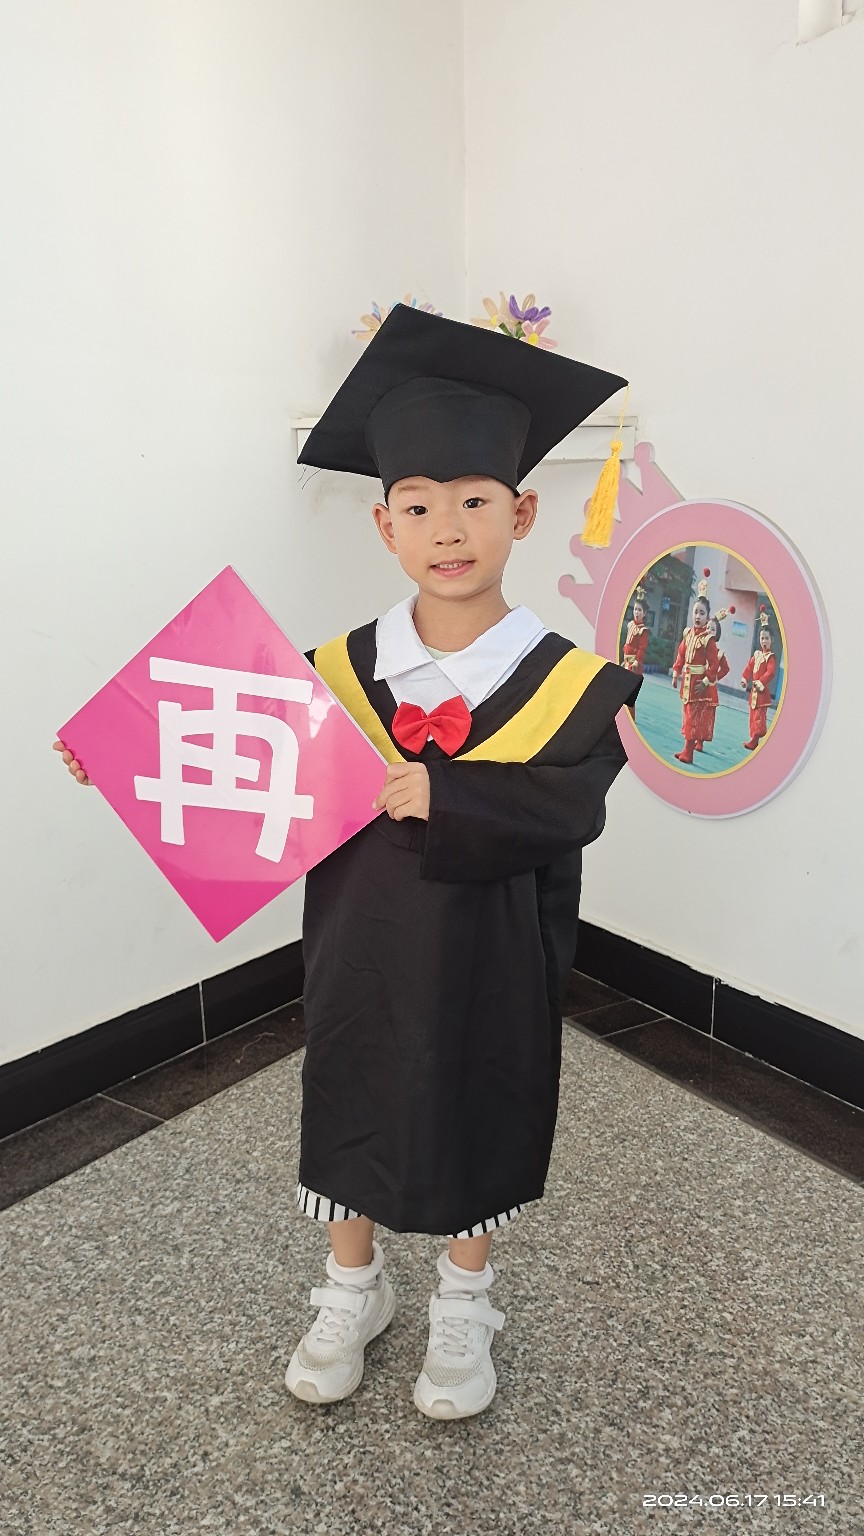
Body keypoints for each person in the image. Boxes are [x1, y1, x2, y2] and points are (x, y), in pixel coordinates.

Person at [55, 303, 639, 1422]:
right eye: (417, 506)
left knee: (481, 1096)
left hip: (496, 954)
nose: (448, 530)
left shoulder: (576, 684)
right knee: (355, 1088)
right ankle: (351, 1289)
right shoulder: (327, 673)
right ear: (383, 526)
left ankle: (465, 1303)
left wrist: (451, 793)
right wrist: (120, 754)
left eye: (476, 502)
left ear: (521, 512)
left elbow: (574, 807)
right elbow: (230, 758)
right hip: (359, 947)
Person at [670, 572, 719, 766]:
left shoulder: (708, 639)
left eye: (702, 613)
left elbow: (714, 665)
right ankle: (686, 749)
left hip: (699, 685)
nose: (698, 616)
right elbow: (681, 654)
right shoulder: (688, 634)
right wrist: (676, 672)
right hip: (687, 682)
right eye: (696, 612)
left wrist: (706, 681)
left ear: (708, 617)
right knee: (687, 715)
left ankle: (689, 753)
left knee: (693, 718)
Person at [694, 607, 733, 752]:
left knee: (705, 716)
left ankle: (700, 741)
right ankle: (692, 738)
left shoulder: (719, 653)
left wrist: (715, 677)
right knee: (695, 713)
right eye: (708, 627)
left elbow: (726, 669)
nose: (709, 630)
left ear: (717, 635)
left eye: (713, 629)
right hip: (697, 685)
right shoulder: (699, 647)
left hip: (709, 689)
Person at [741, 606, 777, 749]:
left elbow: (771, 672)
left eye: (767, 638)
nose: (764, 641)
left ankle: (756, 738)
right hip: (754, 692)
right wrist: (745, 678)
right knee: (752, 716)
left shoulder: (770, 657)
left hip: (762, 693)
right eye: (762, 638)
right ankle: (753, 739)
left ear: (772, 640)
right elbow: (749, 667)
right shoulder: (757, 654)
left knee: (759, 717)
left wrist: (761, 682)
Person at [622, 588, 650, 683]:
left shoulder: (643, 631)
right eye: (635, 609)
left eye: (639, 610)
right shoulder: (630, 625)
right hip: (626, 662)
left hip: (634, 665)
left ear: (644, 613)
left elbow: (642, 649)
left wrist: (636, 662)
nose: (637, 612)